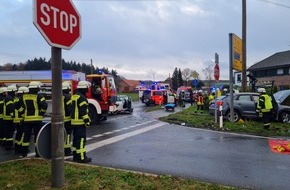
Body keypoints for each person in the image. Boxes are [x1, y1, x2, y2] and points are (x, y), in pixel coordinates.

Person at [18, 81, 47, 157]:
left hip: (27, 120)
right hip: (37, 120)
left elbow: (17, 105)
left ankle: (24, 153)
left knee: (26, 136)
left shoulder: (24, 97)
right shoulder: (39, 97)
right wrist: (41, 113)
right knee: (37, 137)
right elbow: (44, 106)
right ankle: (38, 153)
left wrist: (23, 113)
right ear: (36, 89)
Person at [71, 81, 92, 163]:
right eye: (87, 88)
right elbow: (83, 111)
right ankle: (82, 158)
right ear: (84, 88)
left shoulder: (74, 96)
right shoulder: (82, 98)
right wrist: (87, 121)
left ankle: (75, 156)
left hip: (74, 122)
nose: (88, 89)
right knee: (81, 140)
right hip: (80, 123)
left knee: (76, 140)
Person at [13, 86, 29, 154]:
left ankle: (17, 147)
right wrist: (23, 113)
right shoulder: (22, 100)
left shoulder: (16, 99)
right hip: (21, 119)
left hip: (16, 119)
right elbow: (21, 109)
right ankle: (21, 149)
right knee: (22, 134)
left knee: (18, 134)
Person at [3, 85, 17, 150]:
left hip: (7, 118)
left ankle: (7, 144)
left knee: (8, 132)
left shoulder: (8, 97)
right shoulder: (9, 98)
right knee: (10, 132)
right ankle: (9, 145)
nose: (15, 92)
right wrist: (13, 115)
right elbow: (10, 108)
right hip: (9, 118)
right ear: (11, 91)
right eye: (14, 91)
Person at [62, 82, 73, 156]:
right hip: (67, 119)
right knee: (68, 134)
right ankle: (67, 150)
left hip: (59, 119)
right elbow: (70, 108)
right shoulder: (68, 97)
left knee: (60, 135)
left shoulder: (57, 96)